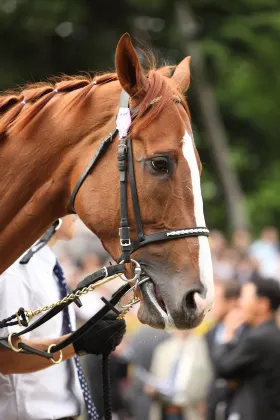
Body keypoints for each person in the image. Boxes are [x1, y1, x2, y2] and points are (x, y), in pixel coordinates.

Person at [0, 216, 126, 420]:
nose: (76, 214)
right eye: (67, 206)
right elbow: (6, 357)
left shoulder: (46, 261)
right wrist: (78, 343)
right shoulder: (15, 269)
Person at [214, 277, 280, 420]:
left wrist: (228, 334)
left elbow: (224, 368)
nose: (239, 303)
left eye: (244, 297)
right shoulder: (263, 332)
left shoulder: (260, 337)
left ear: (263, 304)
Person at [145, 330, 212, 420]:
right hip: (165, 410)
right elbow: (153, 378)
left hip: (191, 411)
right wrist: (151, 388)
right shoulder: (162, 349)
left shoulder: (203, 346)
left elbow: (208, 377)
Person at [205, 280, 243, 420]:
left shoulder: (248, 332)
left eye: (215, 299)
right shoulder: (210, 334)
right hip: (214, 407)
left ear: (232, 302)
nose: (210, 305)